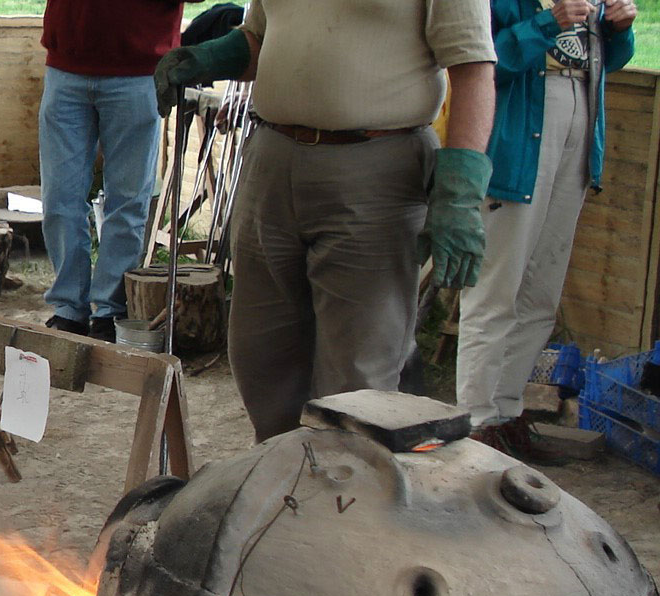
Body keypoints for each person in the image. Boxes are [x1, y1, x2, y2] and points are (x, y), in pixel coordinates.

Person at [156, 2, 498, 442]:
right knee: (262, 355)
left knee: (359, 372)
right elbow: (257, 39)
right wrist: (205, 58)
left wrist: (461, 191)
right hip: (272, 158)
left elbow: (473, 69)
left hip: (378, 170)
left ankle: (348, 497)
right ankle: (286, 481)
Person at [458, 0, 638, 456]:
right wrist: (545, 22)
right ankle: (476, 424)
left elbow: (605, 62)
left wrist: (621, 29)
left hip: (578, 134)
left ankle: (507, 414)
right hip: (518, 140)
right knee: (495, 291)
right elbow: (483, 62)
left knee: (541, 294)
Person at [38, 0, 183, 343]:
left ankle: (108, 310)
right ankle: (69, 309)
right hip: (66, 67)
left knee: (129, 201)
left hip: (139, 70)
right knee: (60, 198)